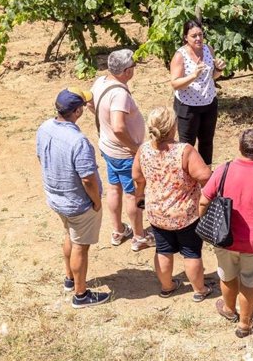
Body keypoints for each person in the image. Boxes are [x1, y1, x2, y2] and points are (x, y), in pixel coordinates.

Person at [199, 129, 253, 338]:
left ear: (239, 147)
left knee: (227, 275)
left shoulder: (223, 170)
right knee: (250, 282)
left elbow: (204, 200)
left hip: (224, 237)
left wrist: (205, 224)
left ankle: (229, 309)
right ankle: (245, 324)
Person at [36, 88, 110, 308]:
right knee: (81, 246)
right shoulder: (79, 141)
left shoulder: (44, 128)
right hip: (79, 203)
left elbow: (40, 156)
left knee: (69, 235)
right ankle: (80, 294)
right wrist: (96, 201)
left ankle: (69, 278)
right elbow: (88, 179)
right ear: (77, 111)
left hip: (57, 198)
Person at [132, 107, 216, 301]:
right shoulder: (184, 151)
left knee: (163, 250)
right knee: (191, 252)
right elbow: (204, 176)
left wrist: (140, 193)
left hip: (157, 213)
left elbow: (137, 176)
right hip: (185, 214)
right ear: (172, 127)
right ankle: (199, 290)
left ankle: (167, 286)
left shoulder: (143, 149)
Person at [90, 48, 154, 251]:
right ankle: (139, 236)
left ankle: (118, 230)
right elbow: (118, 127)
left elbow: (92, 104)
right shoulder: (119, 94)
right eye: (133, 66)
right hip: (124, 154)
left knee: (113, 188)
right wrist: (135, 147)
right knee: (133, 194)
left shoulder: (101, 82)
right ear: (126, 71)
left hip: (108, 148)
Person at [170, 18, 226, 166]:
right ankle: (186, 175)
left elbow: (212, 76)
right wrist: (193, 76)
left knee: (207, 141)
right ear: (185, 37)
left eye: (200, 34)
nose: (198, 38)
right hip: (188, 107)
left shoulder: (208, 49)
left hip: (209, 103)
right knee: (187, 144)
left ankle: (205, 174)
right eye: (193, 36)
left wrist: (219, 69)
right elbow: (175, 83)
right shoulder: (180, 56)